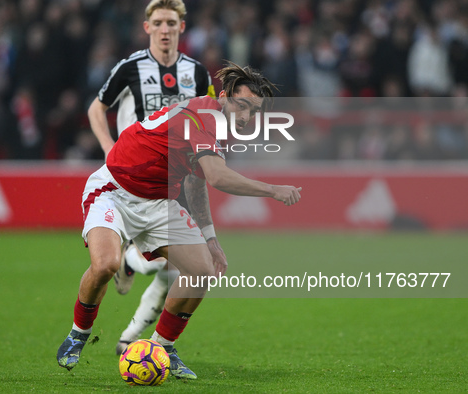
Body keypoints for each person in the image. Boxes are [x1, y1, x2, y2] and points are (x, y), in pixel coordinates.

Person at [56, 62, 303, 379]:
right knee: (106, 265)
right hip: (114, 190)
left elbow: (197, 182)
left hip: (159, 201)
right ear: (224, 96)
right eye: (242, 105)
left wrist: (211, 240)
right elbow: (217, 177)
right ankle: (78, 332)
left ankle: (162, 347)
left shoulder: (221, 128)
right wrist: (273, 190)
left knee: (201, 271)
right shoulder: (203, 115)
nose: (246, 116)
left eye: (253, 112)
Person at [86, 0, 216, 355]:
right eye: (158, 22)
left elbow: (205, 122)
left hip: (175, 179)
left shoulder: (197, 73)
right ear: (147, 28)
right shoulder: (131, 67)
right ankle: (128, 266)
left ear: (182, 28)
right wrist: (109, 147)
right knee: (162, 264)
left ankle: (133, 337)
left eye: (171, 23)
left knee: (179, 269)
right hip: (131, 178)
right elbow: (97, 107)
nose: (164, 29)